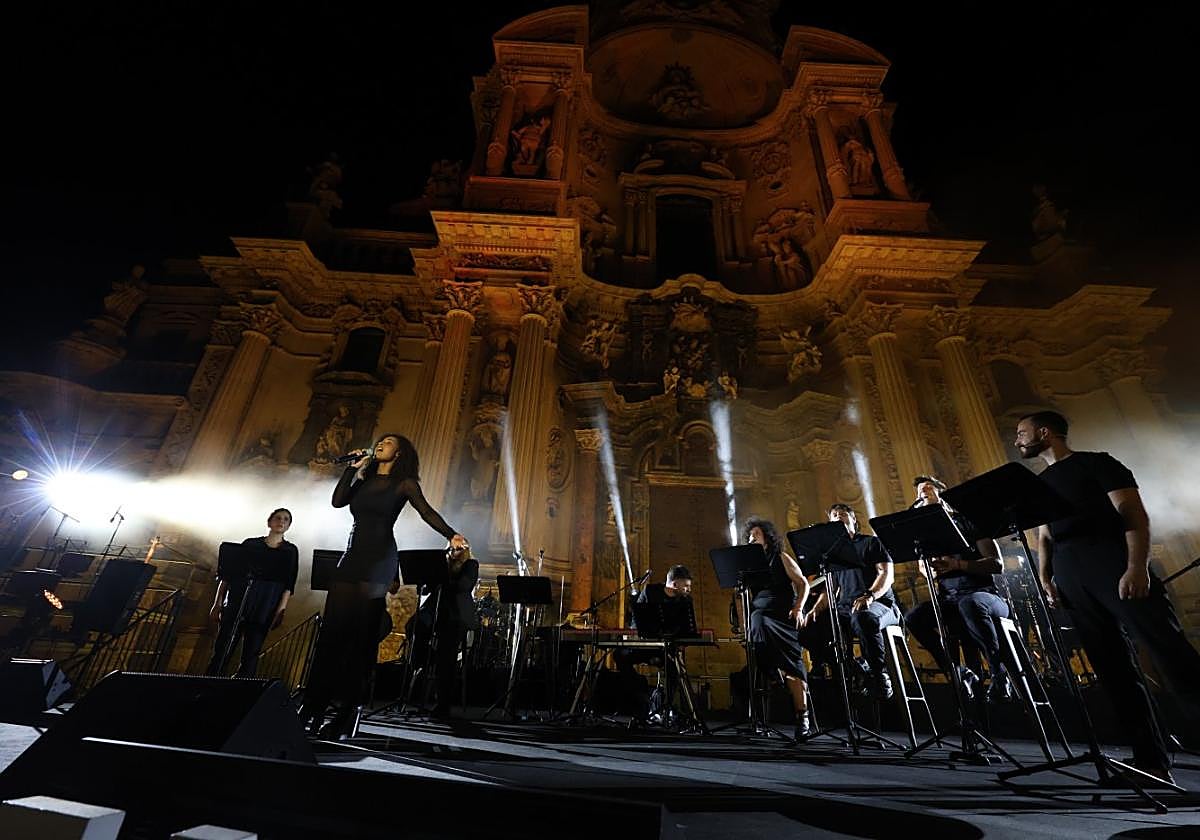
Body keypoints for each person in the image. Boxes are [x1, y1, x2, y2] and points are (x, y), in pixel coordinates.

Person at [1017, 410, 1200, 782]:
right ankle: (1151, 763)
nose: (1017, 440)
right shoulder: (1039, 482)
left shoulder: (1096, 463)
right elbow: (1044, 536)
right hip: (1071, 575)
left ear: (1045, 432)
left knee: (1170, 653)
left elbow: (1132, 512)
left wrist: (1136, 567)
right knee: (1114, 671)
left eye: (1022, 432)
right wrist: (1046, 578)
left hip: (1111, 561)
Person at [299, 433, 467, 739]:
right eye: (380, 441)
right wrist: (352, 468)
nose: (380, 444)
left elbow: (426, 511)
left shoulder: (404, 484)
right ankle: (313, 706)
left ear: (400, 452)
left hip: (379, 560)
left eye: (388, 442)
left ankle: (349, 712)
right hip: (351, 557)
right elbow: (338, 501)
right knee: (331, 636)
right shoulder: (363, 480)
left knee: (360, 640)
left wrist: (451, 534)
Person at [902, 477, 1013, 703]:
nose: (920, 495)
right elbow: (925, 570)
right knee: (913, 618)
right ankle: (959, 672)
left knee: (969, 603)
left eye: (926, 490)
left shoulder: (968, 522)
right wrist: (929, 570)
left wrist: (958, 565)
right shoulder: (925, 535)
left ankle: (998, 673)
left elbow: (996, 564)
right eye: (918, 494)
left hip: (985, 595)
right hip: (950, 600)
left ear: (943, 494)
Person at [798, 504, 900, 700]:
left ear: (854, 519)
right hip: (846, 608)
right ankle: (848, 668)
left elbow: (886, 574)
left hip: (881, 604)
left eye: (843, 514)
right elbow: (831, 590)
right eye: (834, 515)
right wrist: (815, 611)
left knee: (863, 619)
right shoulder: (833, 555)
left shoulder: (871, 543)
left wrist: (870, 595)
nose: (838, 517)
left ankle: (879, 674)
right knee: (809, 626)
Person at [207, 508, 298, 678]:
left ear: (289, 526)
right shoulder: (251, 544)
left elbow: (288, 583)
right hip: (238, 598)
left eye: (286, 519)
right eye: (278, 518)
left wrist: (280, 610)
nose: (281, 521)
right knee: (223, 646)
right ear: (269, 522)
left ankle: (241, 687)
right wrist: (217, 603)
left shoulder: (290, 551)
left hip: (266, 602)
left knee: (252, 651)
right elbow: (227, 575)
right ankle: (210, 682)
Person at [743, 517, 812, 738]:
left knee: (792, 664)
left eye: (756, 535)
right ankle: (774, 673)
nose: (752, 539)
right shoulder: (750, 567)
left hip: (782, 616)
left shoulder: (780, 557)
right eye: (750, 536)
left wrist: (799, 608)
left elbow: (803, 584)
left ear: (767, 538)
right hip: (759, 617)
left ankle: (803, 716)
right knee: (757, 623)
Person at [409, 541, 480, 718]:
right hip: (435, 610)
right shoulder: (441, 564)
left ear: (465, 550)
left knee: (446, 653)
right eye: (450, 548)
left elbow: (464, 586)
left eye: (458, 549)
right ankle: (424, 661)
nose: (453, 551)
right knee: (413, 626)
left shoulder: (471, 564)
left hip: (456, 614)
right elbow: (427, 590)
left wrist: (443, 576)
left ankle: (443, 703)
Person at [615, 565, 694, 721]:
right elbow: (636, 621)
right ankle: (642, 693)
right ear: (675, 584)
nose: (688, 590)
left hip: (667, 649)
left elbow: (687, 628)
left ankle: (667, 707)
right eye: (686, 586)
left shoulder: (685, 601)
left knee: (674, 668)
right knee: (619, 655)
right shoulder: (650, 592)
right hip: (646, 646)